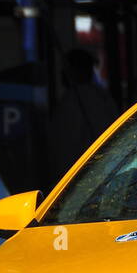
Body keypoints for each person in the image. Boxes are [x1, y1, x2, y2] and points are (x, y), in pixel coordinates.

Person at [48, 49, 120, 184]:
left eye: (65, 69)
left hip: (83, 176)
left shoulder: (73, 101)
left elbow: (66, 147)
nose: (62, 74)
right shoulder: (102, 97)